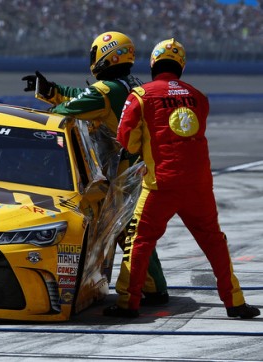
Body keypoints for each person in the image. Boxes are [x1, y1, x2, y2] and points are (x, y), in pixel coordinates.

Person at [104, 38, 260, 319]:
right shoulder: (199, 96)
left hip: (160, 184)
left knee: (139, 241)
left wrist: (142, 150)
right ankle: (235, 302)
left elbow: (125, 138)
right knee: (215, 242)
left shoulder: (140, 95)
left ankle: (128, 304)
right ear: (181, 66)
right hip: (199, 185)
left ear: (152, 64)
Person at [23, 31, 168, 305]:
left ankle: (148, 288)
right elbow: (82, 95)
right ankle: (153, 285)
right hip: (138, 168)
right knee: (134, 230)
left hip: (126, 172)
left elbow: (67, 111)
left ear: (105, 55)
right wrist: (51, 90)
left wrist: (30, 122)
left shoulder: (106, 90)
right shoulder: (128, 84)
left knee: (126, 230)